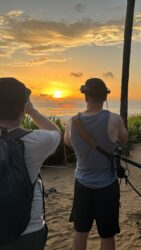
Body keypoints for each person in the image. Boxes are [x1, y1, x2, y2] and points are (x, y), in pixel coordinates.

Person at [64, 78, 128, 250]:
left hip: (82, 184)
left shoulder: (71, 121)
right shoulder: (114, 119)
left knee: (80, 231)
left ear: (85, 97)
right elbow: (124, 140)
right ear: (105, 98)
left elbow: (68, 142)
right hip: (107, 186)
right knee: (107, 235)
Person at [0, 77, 61, 250]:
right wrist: (32, 111)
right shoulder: (35, 141)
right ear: (22, 107)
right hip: (28, 230)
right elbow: (55, 131)